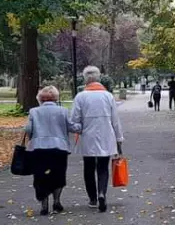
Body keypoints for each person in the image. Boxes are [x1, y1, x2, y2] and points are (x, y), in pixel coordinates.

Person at [70, 66, 123, 212]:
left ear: (85, 79)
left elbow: (74, 119)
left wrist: (78, 129)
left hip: (87, 136)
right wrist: (119, 140)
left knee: (88, 168)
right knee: (103, 167)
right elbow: (115, 120)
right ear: (99, 78)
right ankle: (102, 193)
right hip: (106, 136)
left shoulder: (80, 97)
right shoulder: (108, 96)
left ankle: (93, 198)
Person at [24, 85, 79, 216]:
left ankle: (44, 204)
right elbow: (72, 127)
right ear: (56, 98)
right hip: (59, 147)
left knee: (40, 175)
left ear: (40, 98)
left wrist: (33, 138)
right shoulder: (63, 111)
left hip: (39, 148)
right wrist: (82, 126)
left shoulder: (34, 112)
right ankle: (56, 201)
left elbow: (28, 130)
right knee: (58, 174)